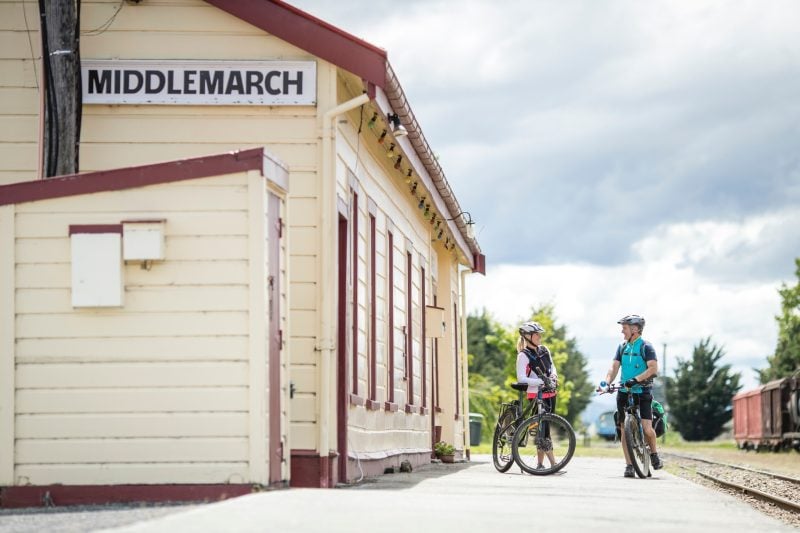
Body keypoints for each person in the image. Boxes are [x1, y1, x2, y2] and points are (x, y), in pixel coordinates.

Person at [601, 314, 663, 477]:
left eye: (625, 327)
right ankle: (629, 465)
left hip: (642, 391)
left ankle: (654, 454)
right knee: (623, 428)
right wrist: (607, 382)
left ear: (635, 329)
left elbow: (653, 369)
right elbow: (613, 368)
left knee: (647, 428)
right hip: (623, 391)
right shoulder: (622, 347)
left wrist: (636, 379)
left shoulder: (646, 347)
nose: (622, 331)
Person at [516, 321, 558, 469]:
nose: (540, 336)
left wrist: (553, 377)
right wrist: (539, 381)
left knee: (544, 428)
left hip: (551, 393)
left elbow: (552, 368)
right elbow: (521, 378)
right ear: (528, 336)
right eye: (537, 334)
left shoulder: (544, 350)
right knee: (543, 428)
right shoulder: (523, 355)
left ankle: (541, 463)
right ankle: (552, 463)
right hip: (536, 394)